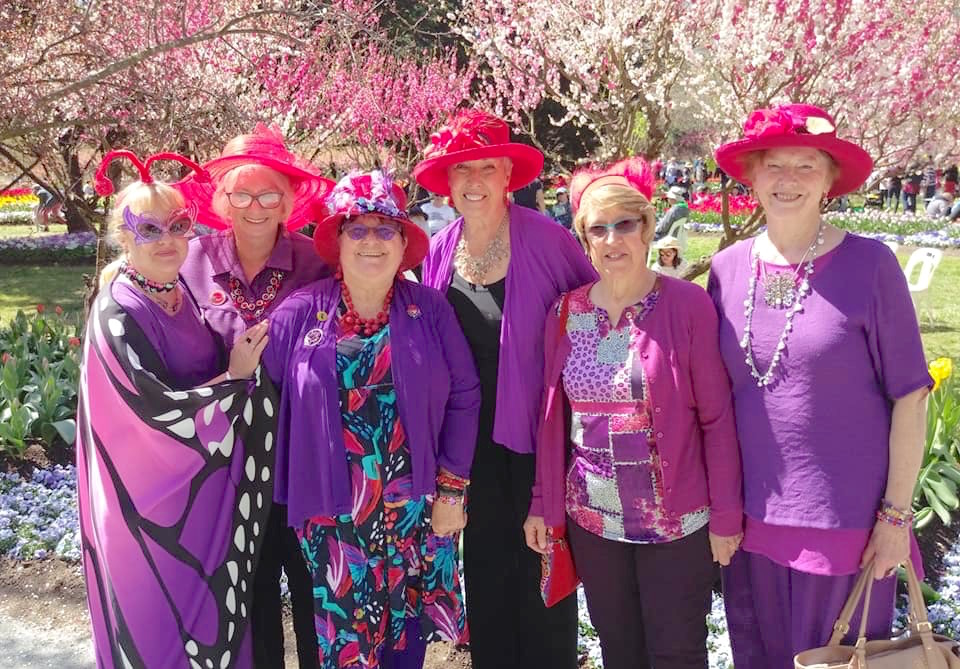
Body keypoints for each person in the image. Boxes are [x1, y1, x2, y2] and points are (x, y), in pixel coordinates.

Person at [709, 103, 931, 668]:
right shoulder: (726, 270)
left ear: (830, 179)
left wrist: (895, 518)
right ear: (752, 176)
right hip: (750, 526)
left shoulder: (871, 265)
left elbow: (911, 396)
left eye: (806, 165)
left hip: (846, 529)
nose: (788, 179)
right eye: (774, 164)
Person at [523, 158, 743, 669]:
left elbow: (716, 419)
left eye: (624, 224)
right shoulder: (566, 312)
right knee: (618, 652)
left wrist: (727, 515)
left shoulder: (686, 305)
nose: (612, 239)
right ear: (584, 238)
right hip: (594, 522)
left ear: (646, 227)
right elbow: (553, 423)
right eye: (598, 228)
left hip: (676, 523)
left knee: (677, 655)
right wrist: (542, 501)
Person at [262, 170, 479, 668]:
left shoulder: (429, 309)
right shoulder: (299, 313)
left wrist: (451, 491)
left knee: (406, 640)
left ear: (403, 244)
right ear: (337, 242)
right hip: (332, 513)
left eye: (386, 229)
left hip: (416, 507)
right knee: (344, 644)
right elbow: (264, 399)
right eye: (357, 229)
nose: (371, 241)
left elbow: (465, 396)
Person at [77, 151, 276, 669]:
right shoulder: (119, 311)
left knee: (211, 625)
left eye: (178, 225)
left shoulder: (179, 290)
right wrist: (234, 379)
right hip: (148, 514)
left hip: (199, 500)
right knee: (160, 632)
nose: (167, 240)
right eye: (148, 229)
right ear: (124, 238)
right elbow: (151, 410)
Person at [415, 109, 597, 669]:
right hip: (468, 448)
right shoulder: (440, 249)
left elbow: (593, 320)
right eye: (461, 169)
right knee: (487, 580)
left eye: (487, 168)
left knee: (543, 582)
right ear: (446, 182)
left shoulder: (547, 240)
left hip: (538, 444)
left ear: (508, 176)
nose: (474, 181)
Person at [176, 125, 334, 669]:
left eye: (269, 195)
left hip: (302, 458)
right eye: (241, 194)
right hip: (226, 463)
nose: (255, 207)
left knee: (315, 589)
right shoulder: (191, 261)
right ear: (222, 200)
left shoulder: (318, 261)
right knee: (248, 596)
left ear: (289, 202)